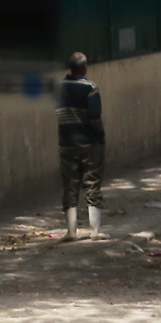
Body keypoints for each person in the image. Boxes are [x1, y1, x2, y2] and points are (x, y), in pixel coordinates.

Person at [57, 51, 106, 239]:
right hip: (89, 143)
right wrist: (101, 136)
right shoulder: (90, 87)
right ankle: (94, 231)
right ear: (85, 67)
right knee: (92, 184)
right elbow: (95, 117)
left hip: (66, 143)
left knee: (70, 185)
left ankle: (71, 231)